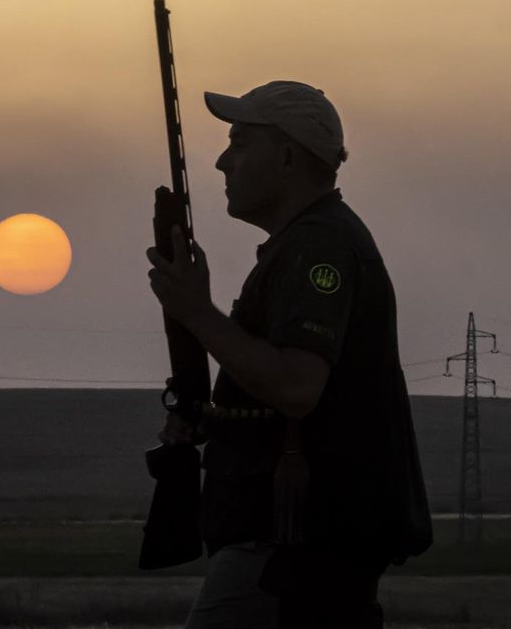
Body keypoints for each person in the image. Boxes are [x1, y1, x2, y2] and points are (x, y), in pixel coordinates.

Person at [146, 80, 432, 628]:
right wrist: (214, 417)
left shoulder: (319, 246)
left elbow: (297, 387)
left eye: (239, 142)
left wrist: (197, 313)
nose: (222, 162)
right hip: (296, 541)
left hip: (292, 547)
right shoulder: (305, 242)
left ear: (286, 157)